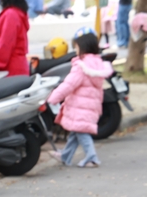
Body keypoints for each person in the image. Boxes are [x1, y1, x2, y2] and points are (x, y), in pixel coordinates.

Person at [47, 31, 113, 168]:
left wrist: (53, 98)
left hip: (79, 105)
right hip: (91, 105)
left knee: (81, 132)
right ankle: (66, 155)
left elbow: (68, 85)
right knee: (76, 130)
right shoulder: (97, 64)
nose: (75, 50)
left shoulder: (81, 66)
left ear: (83, 48)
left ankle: (92, 157)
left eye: (76, 47)